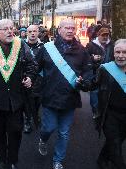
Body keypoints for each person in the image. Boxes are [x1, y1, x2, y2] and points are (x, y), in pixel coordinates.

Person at [0, 19, 38, 169]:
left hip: (15, 101)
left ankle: (12, 158)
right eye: (5, 29)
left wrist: (30, 77)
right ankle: (0, 160)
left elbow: (32, 64)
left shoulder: (20, 44)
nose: (10, 31)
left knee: (16, 132)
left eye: (11, 28)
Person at [36, 18, 93, 169]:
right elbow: (35, 68)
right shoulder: (47, 48)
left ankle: (57, 160)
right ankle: (43, 138)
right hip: (50, 97)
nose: (70, 30)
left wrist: (85, 82)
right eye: (66, 28)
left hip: (69, 99)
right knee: (48, 128)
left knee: (64, 133)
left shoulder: (82, 50)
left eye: (72, 28)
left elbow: (88, 72)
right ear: (59, 30)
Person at [94, 39, 126, 169]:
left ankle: (101, 159)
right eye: (117, 52)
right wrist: (80, 82)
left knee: (115, 142)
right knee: (115, 143)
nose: (120, 55)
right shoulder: (106, 69)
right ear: (113, 53)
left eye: (124, 52)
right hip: (109, 114)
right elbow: (93, 83)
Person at [86, 27, 114, 118]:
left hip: (108, 74)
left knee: (105, 92)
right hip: (95, 73)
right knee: (94, 93)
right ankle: (95, 111)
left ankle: (104, 111)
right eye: (103, 35)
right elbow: (85, 59)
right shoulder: (91, 45)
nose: (105, 37)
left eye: (107, 35)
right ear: (98, 35)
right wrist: (92, 58)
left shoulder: (111, 45)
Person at [23, 25, 44, 133]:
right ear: (27, 33)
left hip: (39, 79)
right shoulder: (22, 45)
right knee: (26, 101)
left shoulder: (43, 46)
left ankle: (35, 115)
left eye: (34, 31)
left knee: (37, 101)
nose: (32, 33)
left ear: (38, 32)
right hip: (26, 79)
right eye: (30, 31)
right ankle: (27, 120)